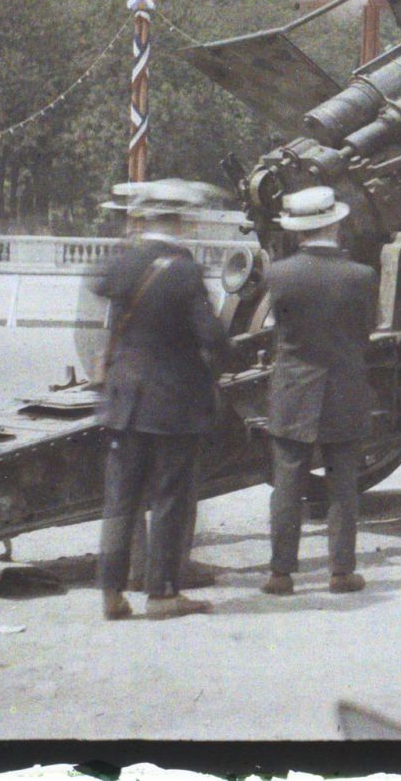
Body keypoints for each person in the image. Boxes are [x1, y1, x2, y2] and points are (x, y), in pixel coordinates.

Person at [92, 180, 231, 621]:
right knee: (171, 495)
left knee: (120, 500)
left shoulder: (122, 263)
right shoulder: (185, 270)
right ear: (180, 220)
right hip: (172, 403)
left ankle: (111, 594)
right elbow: (210, 336)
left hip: (122, 399)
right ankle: (164, 594)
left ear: (144, 218)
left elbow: (106, 300)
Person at [260, 186, 377, 597]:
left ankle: (280, 574)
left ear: (297, 230)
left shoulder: (278, 274)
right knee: (343, 482)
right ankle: (341, 572)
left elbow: (280, 331)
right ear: (336, 223)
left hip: (293, 391)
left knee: (287, 481)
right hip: (344, 387)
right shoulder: (361, 276)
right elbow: (365, 331)